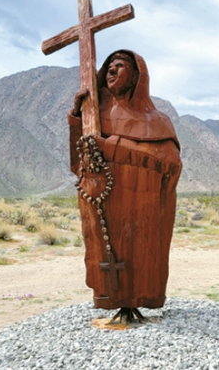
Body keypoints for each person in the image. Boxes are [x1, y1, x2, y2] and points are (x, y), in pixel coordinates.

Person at [68, 50, 182, 321]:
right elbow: (79, 162)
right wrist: (77, 118)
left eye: (119, 66)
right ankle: (112, 300)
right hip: (105, 203)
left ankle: (137, 301)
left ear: (136, 77)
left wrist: (111, 146)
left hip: (141, 204)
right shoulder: (95, 117)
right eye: (109, 66)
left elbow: (169, 161)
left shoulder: (157, 120)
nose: (111, 71)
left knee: (140, 255)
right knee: (106, 254)